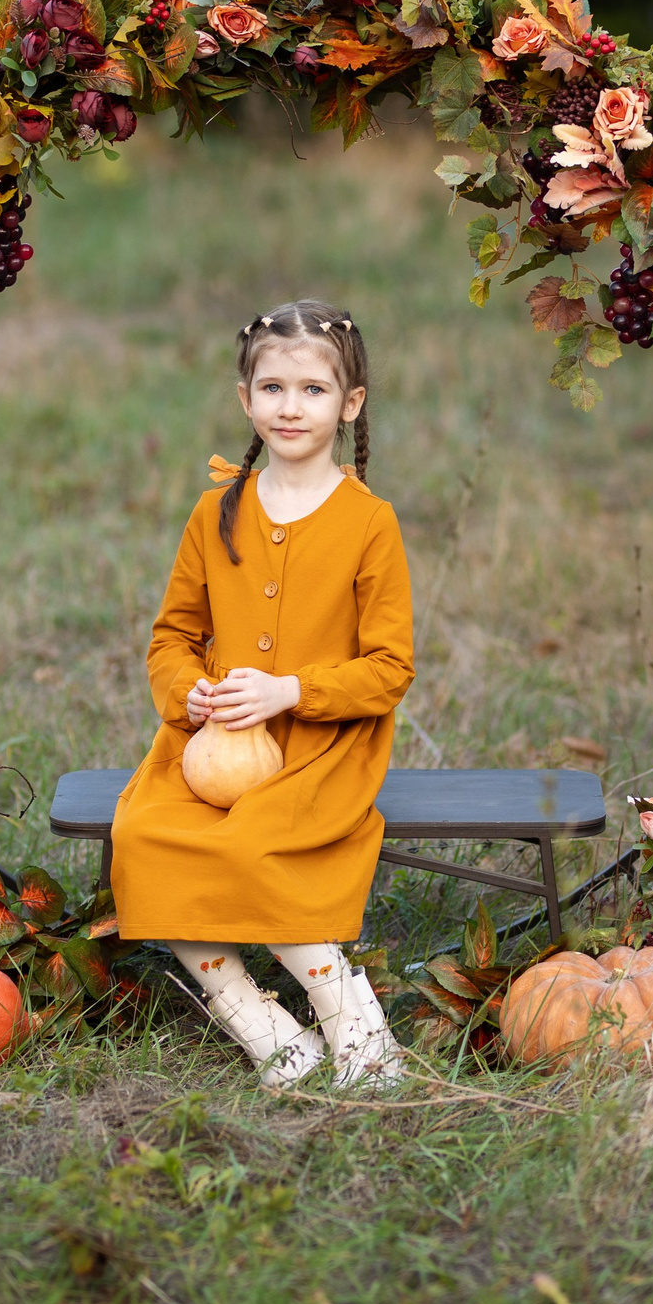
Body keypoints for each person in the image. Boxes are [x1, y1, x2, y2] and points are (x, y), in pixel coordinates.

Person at [110, 299, 413, 1089]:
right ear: (245, 399)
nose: (291, 405)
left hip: (324, 742)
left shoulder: (369, 523)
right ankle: (257, 1019)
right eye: (272, 387)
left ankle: (357, 1025)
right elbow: (170, 637)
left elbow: (390, 668)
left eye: (313, 389)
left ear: (350, 404)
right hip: (217, 741)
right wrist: (191, 698)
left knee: (251, 844)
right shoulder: (216, 515)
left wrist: (290, 690)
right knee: (145, 838)